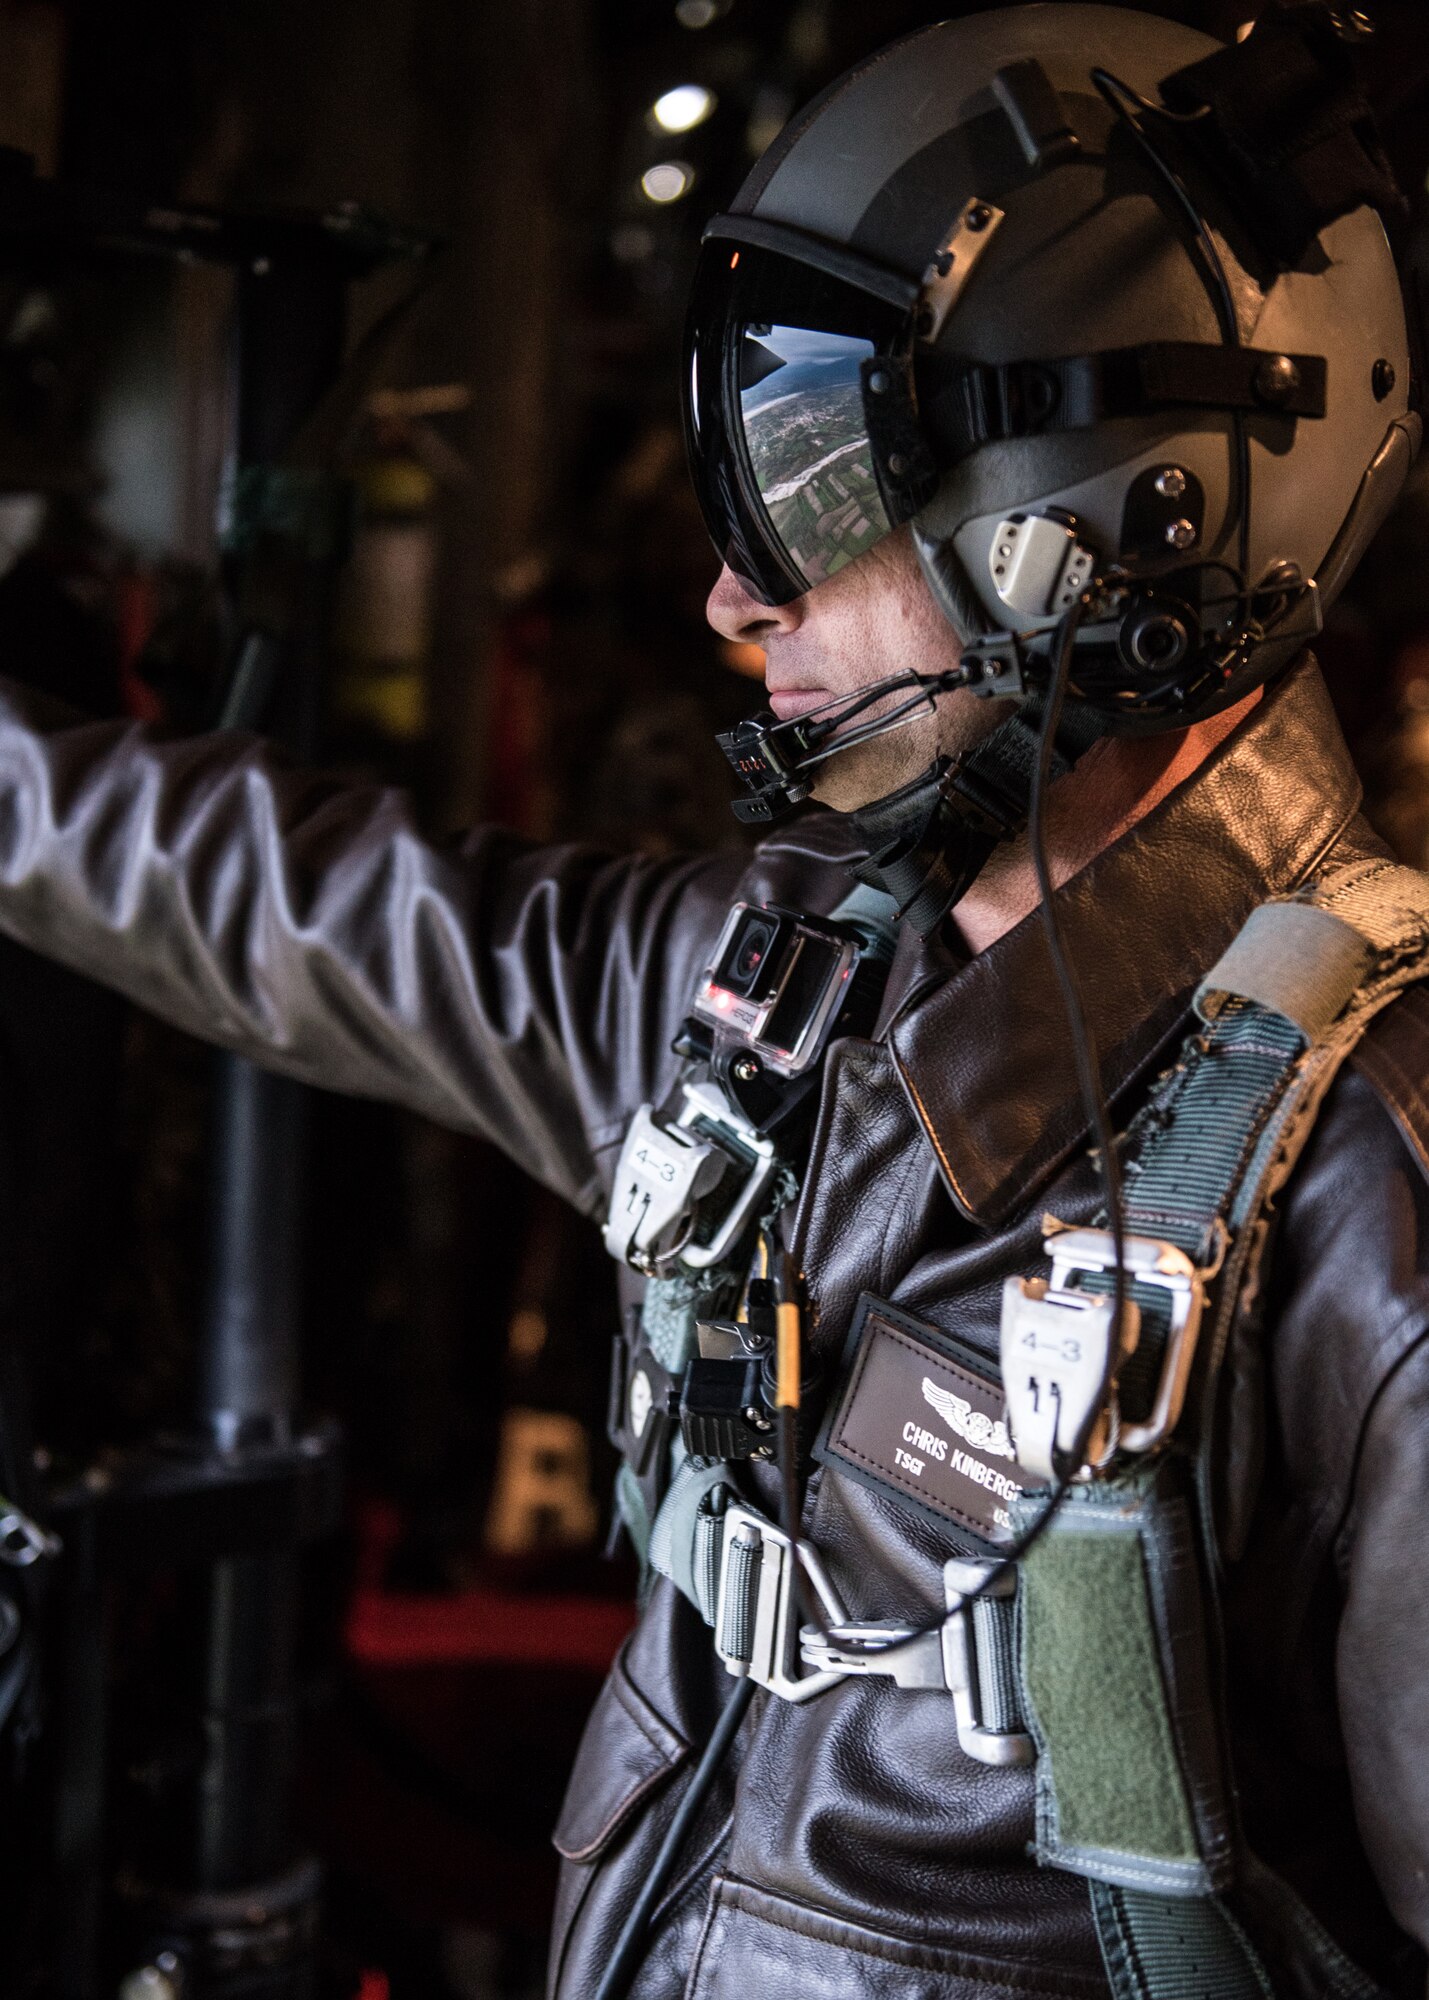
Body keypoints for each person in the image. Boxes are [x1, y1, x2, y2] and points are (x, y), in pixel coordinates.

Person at [0, 6, 1426, 1997]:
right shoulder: (769, 995)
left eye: (815, 490)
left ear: (1119, 526)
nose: (731, 597)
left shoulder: (1365, 1202)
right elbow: (291, 902)